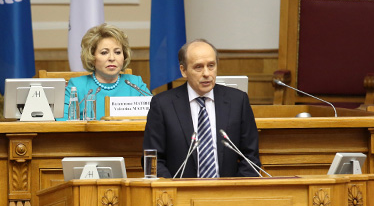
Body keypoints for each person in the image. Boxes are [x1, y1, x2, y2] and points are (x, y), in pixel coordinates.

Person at [143, 39, 260, 178]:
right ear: (183, 70)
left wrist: (233, 191)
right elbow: (152, 161)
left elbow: (250, 157)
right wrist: (171, 190)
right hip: (178, 194)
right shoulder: (163, 104)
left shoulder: (237, 101)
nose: (206, 73)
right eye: (198, 67)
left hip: (227, 193)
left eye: (211, 66)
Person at [61, 23, 151, 120]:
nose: (112, 58)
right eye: (104, 52)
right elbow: (63, 122)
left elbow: (155, 116)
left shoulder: (135, 83)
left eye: (117, 52)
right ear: (91, 57)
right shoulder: (77, 86)